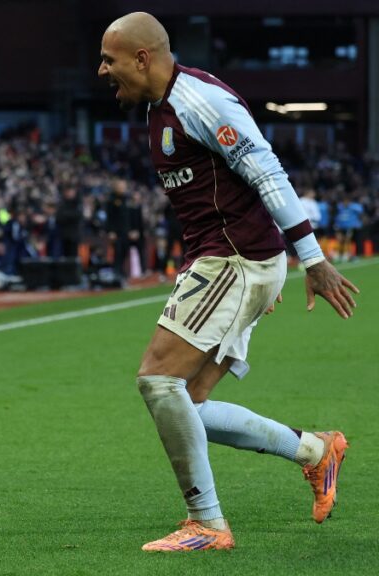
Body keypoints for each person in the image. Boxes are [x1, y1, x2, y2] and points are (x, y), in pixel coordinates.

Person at [98, 12, 360, 552]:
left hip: (234, 261)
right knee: (188, 402)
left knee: (157, 382)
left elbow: (265, 169)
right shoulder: (159, 106)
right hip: (234, 261)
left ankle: (207, 524)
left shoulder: (198, 100)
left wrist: (310, 258)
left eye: (109, 59)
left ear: (142, 57)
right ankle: (315, 451)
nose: (101, 70)